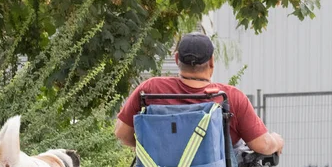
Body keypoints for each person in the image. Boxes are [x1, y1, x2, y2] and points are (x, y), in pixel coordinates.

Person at [114, 32, 284, 158]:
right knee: (238, 148)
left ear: (176, 59)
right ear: (211, 61)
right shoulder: (230, 97)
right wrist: (276, 141)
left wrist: (154, 150)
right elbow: (261, 145)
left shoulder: (151, 89)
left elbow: (122, 133)